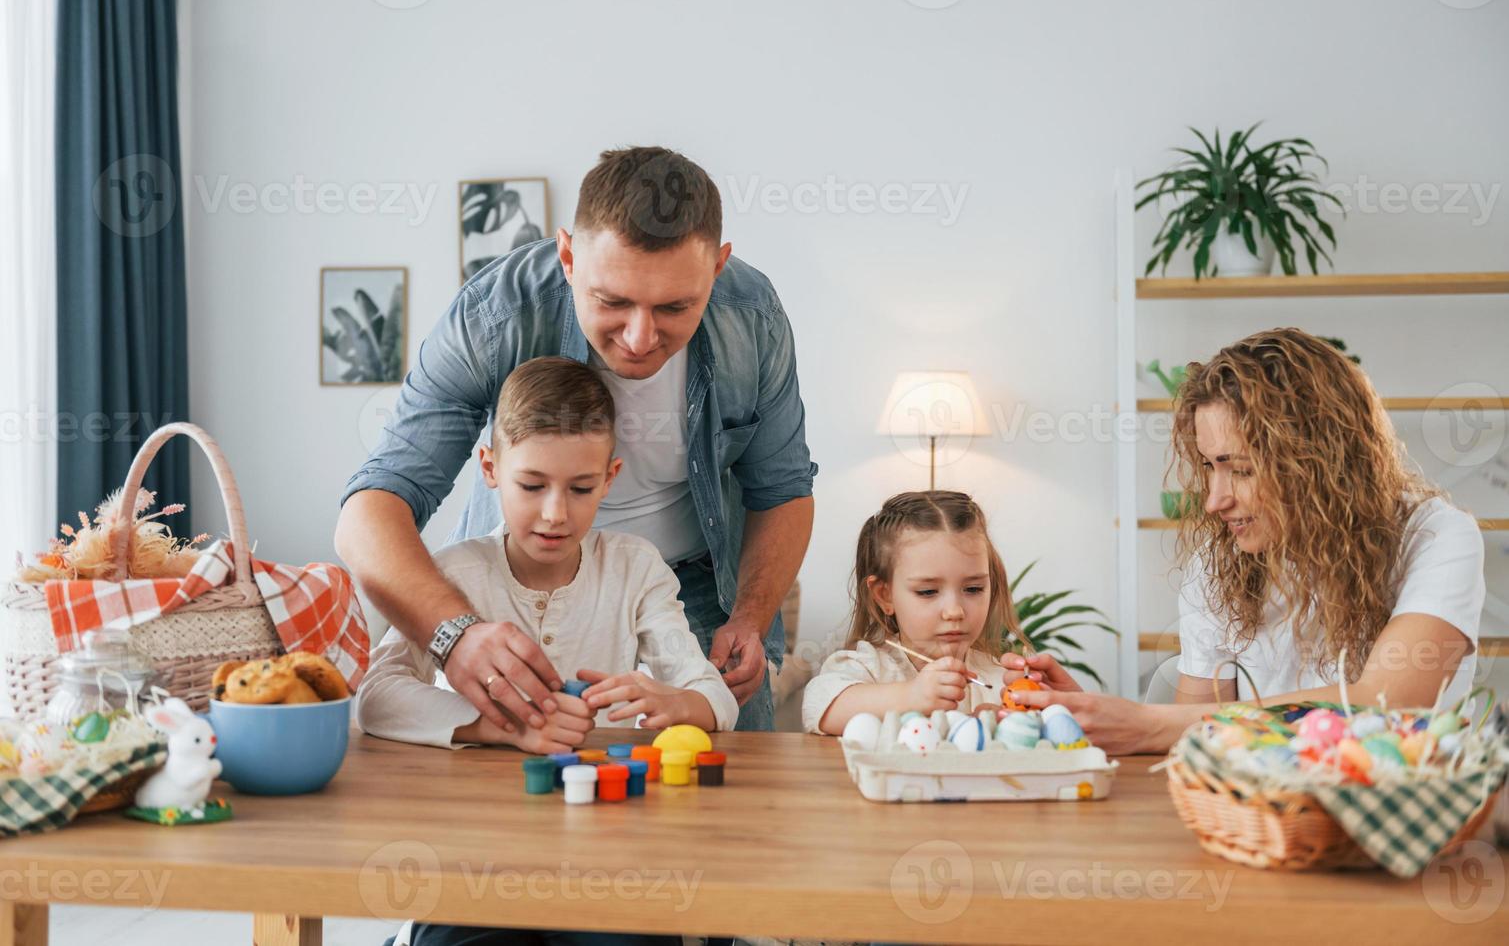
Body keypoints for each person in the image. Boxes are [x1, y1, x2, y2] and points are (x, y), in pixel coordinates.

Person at [335, 147, 816, 735]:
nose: (640, 338)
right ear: (568, 256)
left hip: (700, 589)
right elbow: (372, 508)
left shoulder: (753, 317)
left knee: (730, 792)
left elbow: (783, 489)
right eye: (612, 301)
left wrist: (751, 615)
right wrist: (456, 634)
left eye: (674, 307)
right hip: (512, 587)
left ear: (716, 269)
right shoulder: (496, 315)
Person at [1007, 329, 1484, 754]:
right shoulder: (1220, 566)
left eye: (1242, 470)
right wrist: (1087, 719)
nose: (1214, 501)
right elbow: (1194, 743)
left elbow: (1387, 702)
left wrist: (1152, 724)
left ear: (1318, 462)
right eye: (1210, 466)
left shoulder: (1435, 538)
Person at [354, 357, 738, 755]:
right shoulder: (452, 574)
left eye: (581, 489)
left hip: (596, 796)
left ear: (609, 477)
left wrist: (680, 702)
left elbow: (714, 695)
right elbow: (375, 695)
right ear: (491, 468)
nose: (555, 514)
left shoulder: (636, 569)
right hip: (470, 803)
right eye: (532, 486)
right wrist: (502, 727)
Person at [802, 491, 1032, 735]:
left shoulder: (1000, 679)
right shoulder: (868, 668)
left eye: (973, 589)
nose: (954, 611)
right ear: (884, 595)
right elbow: (820, 707)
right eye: (928, 591)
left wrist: (1016, 725)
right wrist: (912, 695)